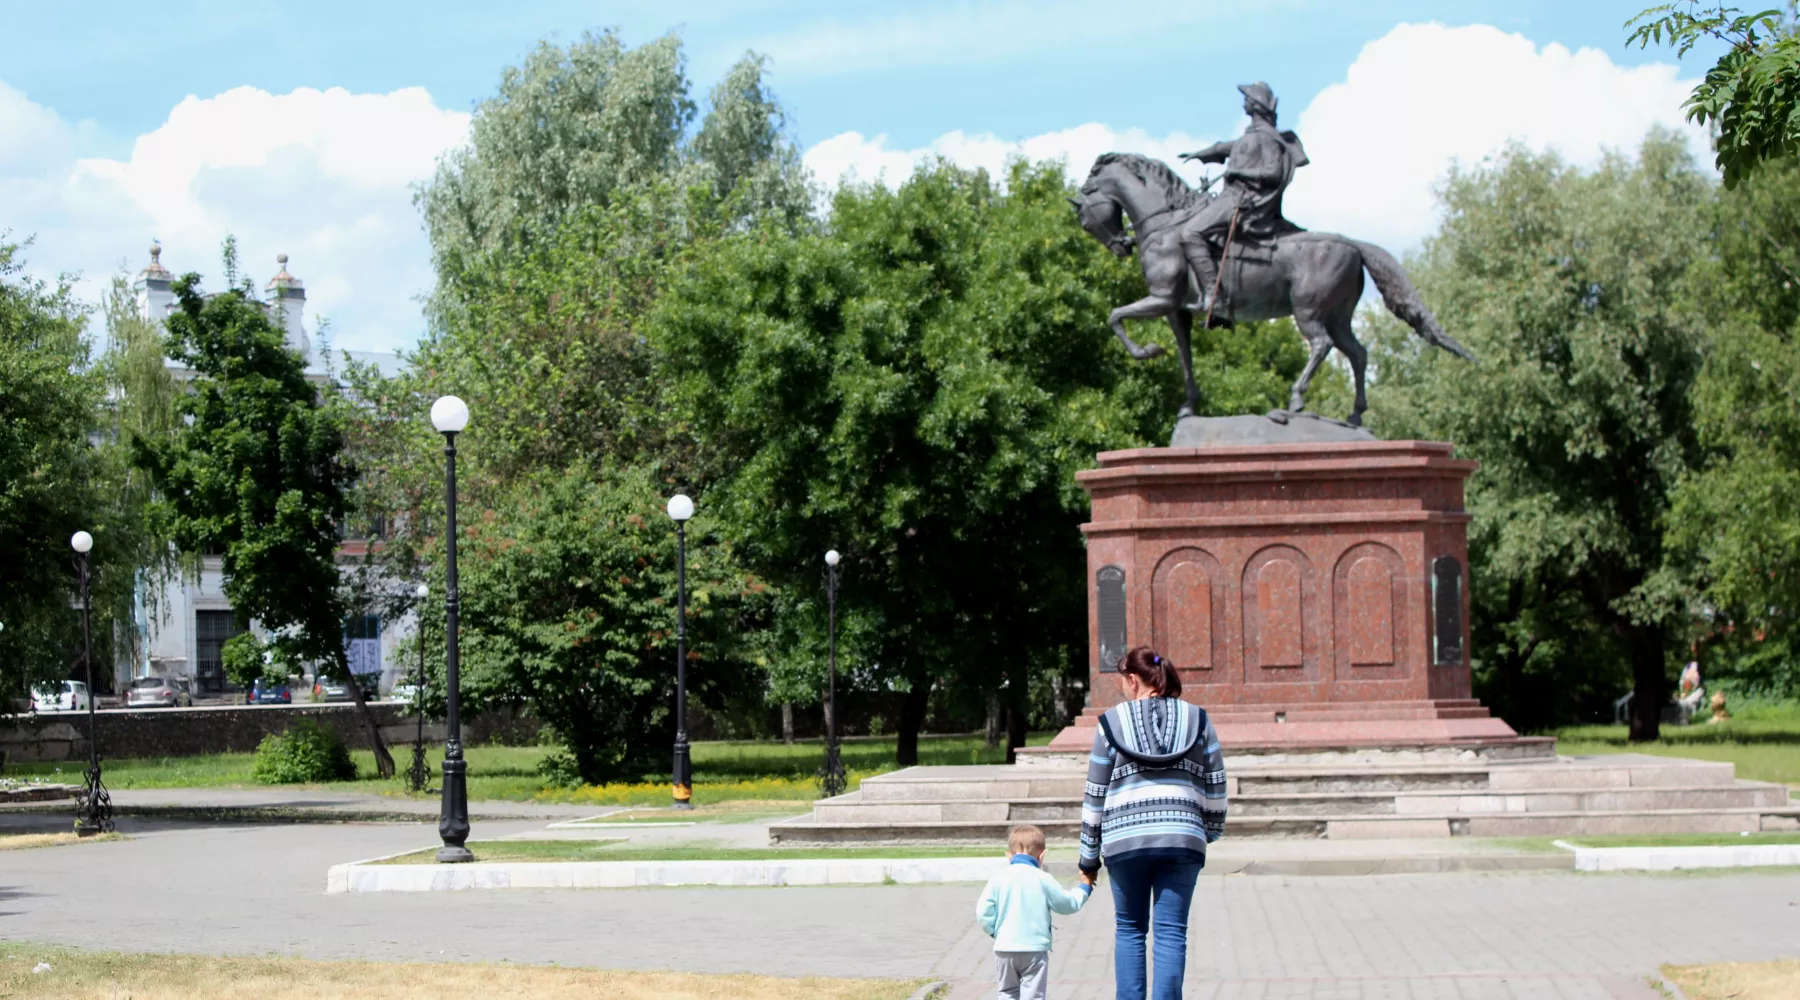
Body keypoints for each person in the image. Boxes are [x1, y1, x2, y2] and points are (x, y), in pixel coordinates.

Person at [1079, 646, 1227, 1000]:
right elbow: (1216, 783)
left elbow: (1095, 794)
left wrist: (1088, 859)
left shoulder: (1110, 724)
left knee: (1129, 930)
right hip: (1182, 838)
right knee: (1171, 933)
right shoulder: (1198, 720)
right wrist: (1209, 830)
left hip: (1124, 841)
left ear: (1133, 679)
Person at [1175, 82, 1309, 312]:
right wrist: (1200, 154)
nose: (1243, 102)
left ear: (1255, 105)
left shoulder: (1267, 138)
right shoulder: (1253, 135)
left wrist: (1238, 171)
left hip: (1242, 201)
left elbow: (1272, 172)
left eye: (1246, 98)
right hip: (1231, 197)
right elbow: (1226, 148)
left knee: (1190, 232)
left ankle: (1213, 293)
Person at [975, 823, 1094, 1000]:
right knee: (1033, 994)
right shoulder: (1043, 878)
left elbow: (982, 912)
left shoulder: (998, 878)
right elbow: (1066, 904)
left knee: (1007, 991)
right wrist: (1085, 887)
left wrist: (995, 932)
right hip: (1034, 949)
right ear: (1042, 855)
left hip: (1005, 948)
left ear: (1009, 855)